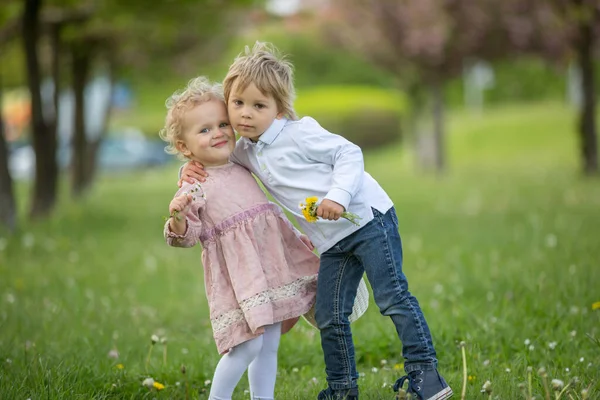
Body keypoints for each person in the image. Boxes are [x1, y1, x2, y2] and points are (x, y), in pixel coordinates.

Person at [179, 42, 453, 400]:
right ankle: (342, 389)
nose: (245, 114)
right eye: (238, 104)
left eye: (258, 105)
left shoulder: (299, 133)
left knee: (392, 296)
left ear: (279, 110)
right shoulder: (244, 150)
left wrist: (337, 196)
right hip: (332, 243)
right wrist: (190, 167)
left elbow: (348, 153)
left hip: (367, 220)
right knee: (329, 314)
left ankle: (425, 373)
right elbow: (217, 163)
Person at [161, 76, 320, 400]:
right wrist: (177, 214)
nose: (218, 133)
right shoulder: (195, 185)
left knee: (269, 344)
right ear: (184, 147)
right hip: (240, 278)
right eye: (204, 130)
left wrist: (295, 239)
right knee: (248, 345)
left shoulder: (241, 159)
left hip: (270, 266)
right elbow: (186, 236)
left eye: (222, 124)